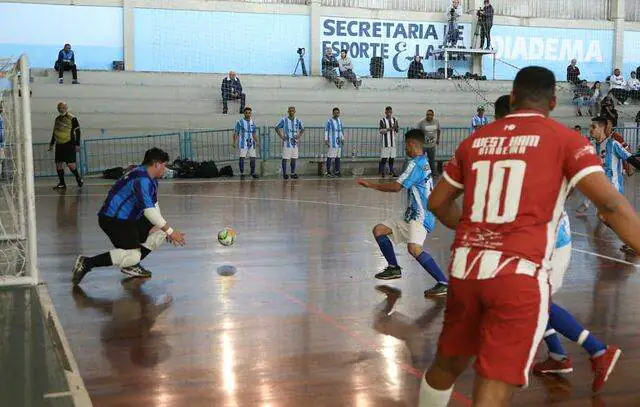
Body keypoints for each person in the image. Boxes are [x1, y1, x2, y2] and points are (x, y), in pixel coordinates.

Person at [419, 66, 640, 406]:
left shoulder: (475, 141)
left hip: (466, 269)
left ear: (511, 99)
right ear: (553, 102)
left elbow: (437, 202)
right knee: (493, 381)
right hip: (518, 274)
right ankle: (581, 351)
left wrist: (473, 228)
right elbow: (610, 204)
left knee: (447, 363)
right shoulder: (566, 141)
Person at [497, 95, 622, 393]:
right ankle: (557, 354)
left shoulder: (533, 147)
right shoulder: (521, 147)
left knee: (532, 301)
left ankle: (598, 351)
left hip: (550, 239)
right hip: (538, 238)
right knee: (528, 300)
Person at [71, 148, 187, 285]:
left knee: (160, 232)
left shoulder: (149, 178)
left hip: (130, 219)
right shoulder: (142, 180)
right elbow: (149, 212)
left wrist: (166, 230)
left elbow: (154, 207)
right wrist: (171, 232)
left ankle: (131, 265)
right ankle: (87, 263)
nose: (165, 169)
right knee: (133, 254)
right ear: (156, 164)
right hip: (114, 220)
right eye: (164, 165)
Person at [356, 129, 448, 298]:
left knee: (414, 249)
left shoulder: (414, 164)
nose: (405, 149)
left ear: (412, 145)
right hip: (411, 214)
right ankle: (393, 268)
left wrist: (371, 185)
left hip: (421, 215)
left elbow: (397, 187)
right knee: (379, 230)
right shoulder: (424, 160)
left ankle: (443, 283)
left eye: (406, 145)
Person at [49, 102, 83, 190]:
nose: (61, 109)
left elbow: (78, 131)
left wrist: (77, 144)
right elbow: (54, 132)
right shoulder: (57, 119)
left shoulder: (72, 118)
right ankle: (62, 183)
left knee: (70, 165)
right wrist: (52, 144)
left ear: (66, 108)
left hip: (69, 144)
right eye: (59, 108)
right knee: (58, 164)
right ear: (57, 109)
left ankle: (78, 177)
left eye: (63, 107)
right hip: (59, 145)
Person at [275, 106, 304, 180]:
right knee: (285, 158)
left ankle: (293, 173)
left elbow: (302, 129)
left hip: (295, 143)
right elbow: (276, 127)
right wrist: (281, 136)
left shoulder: (298, 120)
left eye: (293, 111)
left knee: (294, 158)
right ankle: (284, 173)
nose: (291, 112)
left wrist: (299, 135)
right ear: (288, 112)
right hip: (287, 142)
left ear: (295, 112)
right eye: (290, 111)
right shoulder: (284, 120)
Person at [233, 107, 259, 179]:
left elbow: (254, 133)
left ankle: (252, 172)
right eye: (246, 112)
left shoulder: (252, 122)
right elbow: (236, 132)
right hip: (243, 143)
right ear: (244, 113)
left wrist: (257, 141)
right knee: (242, 158)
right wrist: (234, 142)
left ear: (251, 113)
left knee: (253, 158)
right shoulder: (240, 122)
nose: (248, 114)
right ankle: (242, 173)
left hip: (251, 143)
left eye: (249, 113)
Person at [416, 109, 441, 175]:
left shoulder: (436, 121)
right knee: (421, 160)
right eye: (427, 114)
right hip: (423, 145)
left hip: (432, 145)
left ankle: (433, 173)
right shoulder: (421, 122)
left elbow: (438, 130)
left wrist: (438, 139)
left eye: (430, 115)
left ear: (433, 115)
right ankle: (421, 173)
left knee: (432, 160)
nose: (428, 116)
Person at [379, 106, 399, 177]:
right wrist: (389, 129)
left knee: (392, 158)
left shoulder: (395, 119)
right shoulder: (382, 120)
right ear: (385, 112)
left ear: (391, 112)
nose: (389, 114)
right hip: (385, 143)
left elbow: (397, 130)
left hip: (393, 142)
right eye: (387, 112)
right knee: (384, 157)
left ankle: (391, 171)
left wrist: (396, 128)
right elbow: (381, 131)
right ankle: (382, 171)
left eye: (390, 112)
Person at [324, 107, 344, 177]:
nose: (336, 114)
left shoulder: (339, 121)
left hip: (338, 142)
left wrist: (342, 138)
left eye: (337, 112)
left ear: (339, 113)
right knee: (330, 156)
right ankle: (328, 172)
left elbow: (341, 131)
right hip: (332, 142)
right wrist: (326, 140)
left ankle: (337, 171)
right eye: (335, 113)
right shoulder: (329, 121)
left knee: (338, 157)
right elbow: (326, 131)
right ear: (332, 113)